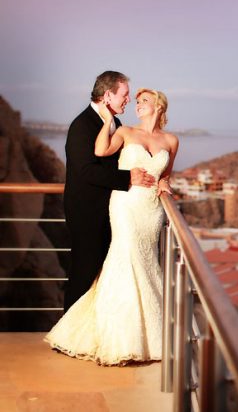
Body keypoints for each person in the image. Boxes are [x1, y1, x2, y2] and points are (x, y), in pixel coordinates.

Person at [45, 87, 179, 365]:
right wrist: (107, 122)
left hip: (151, 211)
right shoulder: (124, 131)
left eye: (143, 101)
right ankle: (120, 338)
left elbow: (166, 174)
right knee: (125, 259)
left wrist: (165, 183)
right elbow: (100, 150)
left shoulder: (171, 140)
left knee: (146, 263)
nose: (137, 104)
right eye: (135, 99)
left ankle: (147, 336)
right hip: (126, 206)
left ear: (159, 106)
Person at [62, 71, 156, 312]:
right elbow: (86, 171)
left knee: (104, 275)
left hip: (111, 212)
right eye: (124, 95)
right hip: (87, 213)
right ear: (107, 96)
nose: (128, 100)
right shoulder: (82, 125)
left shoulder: (116, 123)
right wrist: (129, 178)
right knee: (85, 272)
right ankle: (67, 332)